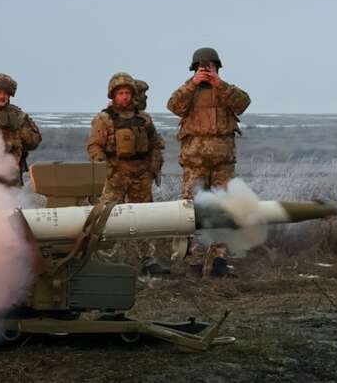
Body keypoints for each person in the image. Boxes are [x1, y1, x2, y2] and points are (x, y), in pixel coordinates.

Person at [167, 47, 251, 277]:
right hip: (195, 162)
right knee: (192, 212)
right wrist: (193, 83)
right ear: (195, 69)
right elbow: (173, 106)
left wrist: (219, 83)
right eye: (203, 67)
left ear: (217, 68)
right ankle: (192, 262)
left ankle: (218, 261)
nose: (207, 70)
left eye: (211, 67)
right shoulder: (188, 91)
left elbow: (243, 103)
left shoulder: (226, 91)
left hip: (223, 162)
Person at [87, 73, 166, 275]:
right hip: (115, 176)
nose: (124, 97)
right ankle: (104, 258)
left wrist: (152, 168)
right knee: (106, 217)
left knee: (144, 218)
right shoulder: (104, 119)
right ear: (113, 95)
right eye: (120, 93)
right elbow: (95, 147)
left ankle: (148, 259)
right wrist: (105, 169)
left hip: (141, 176)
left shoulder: (143, 119)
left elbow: (156, 144)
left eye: (127, 93)